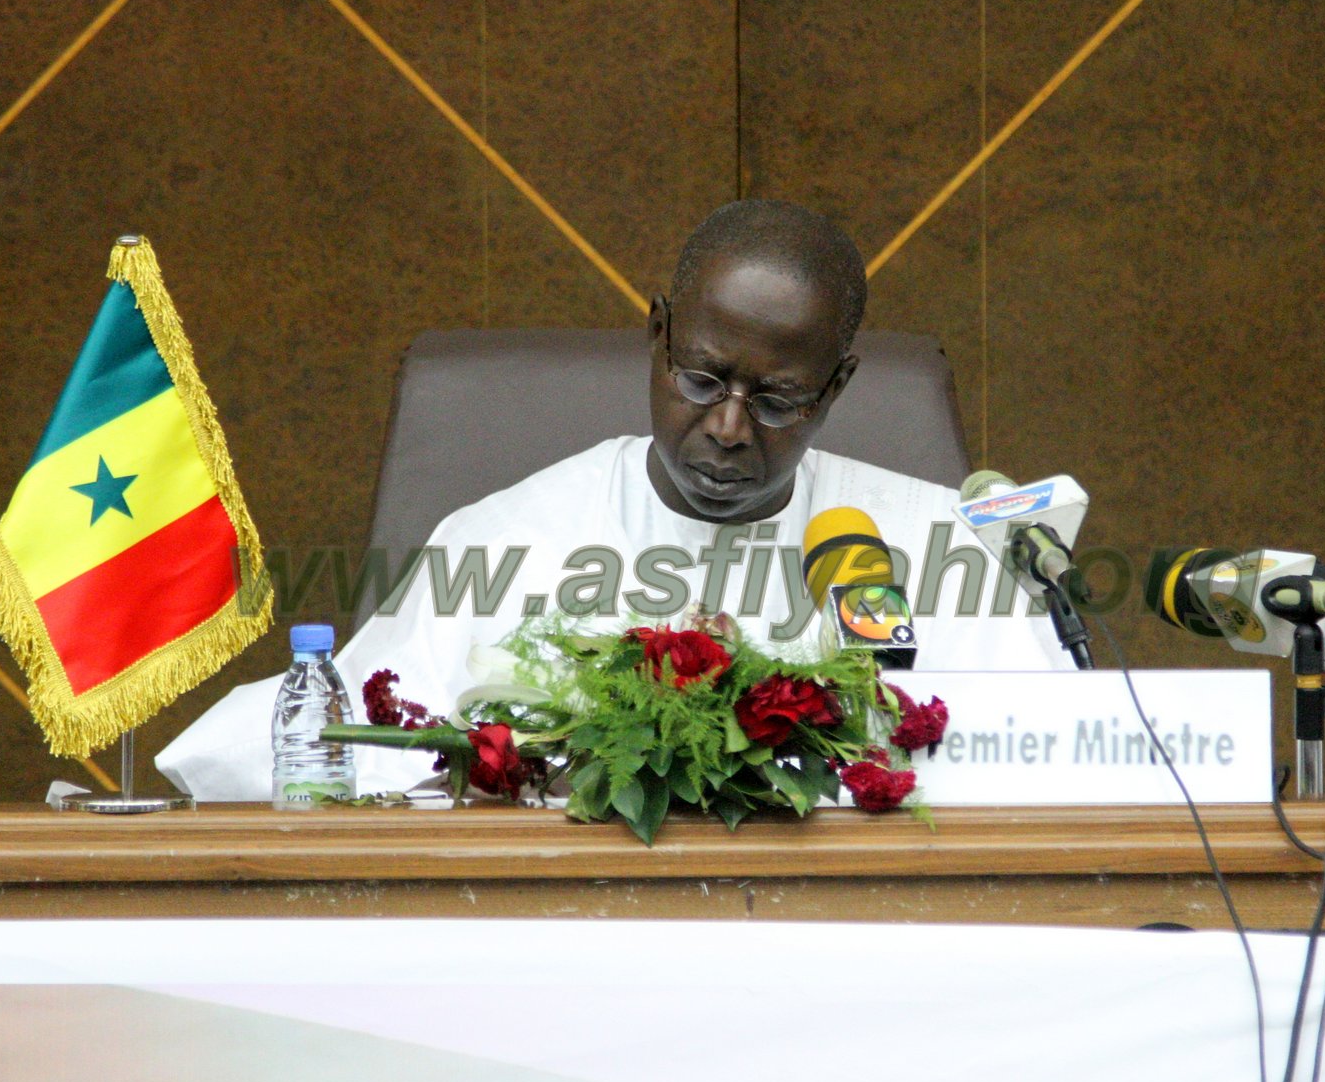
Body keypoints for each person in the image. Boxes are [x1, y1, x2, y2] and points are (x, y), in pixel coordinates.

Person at [158, 200, 1069, 799]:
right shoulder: (505, 541)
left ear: (836, 388)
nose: (729, 429)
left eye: (781, 399)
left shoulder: (939, 544)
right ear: (658, 335)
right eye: (704, 380)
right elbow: (317, 750)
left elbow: (1068, 762)